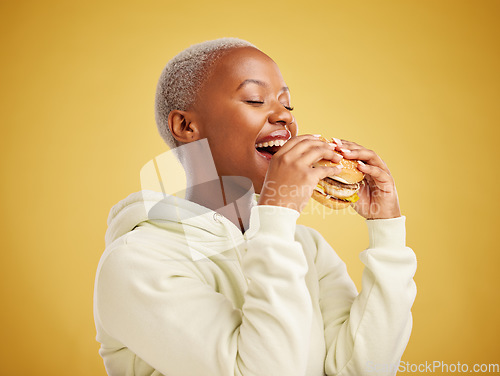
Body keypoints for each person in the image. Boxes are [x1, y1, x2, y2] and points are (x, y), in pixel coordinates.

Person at [93, 38, 417, 376]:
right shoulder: (136, 263)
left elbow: (364, 370)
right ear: (186, 127)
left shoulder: (306, 247)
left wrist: (386, 230)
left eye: (287, 105)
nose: (283, 117)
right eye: (254, 99)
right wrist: (277, 218)